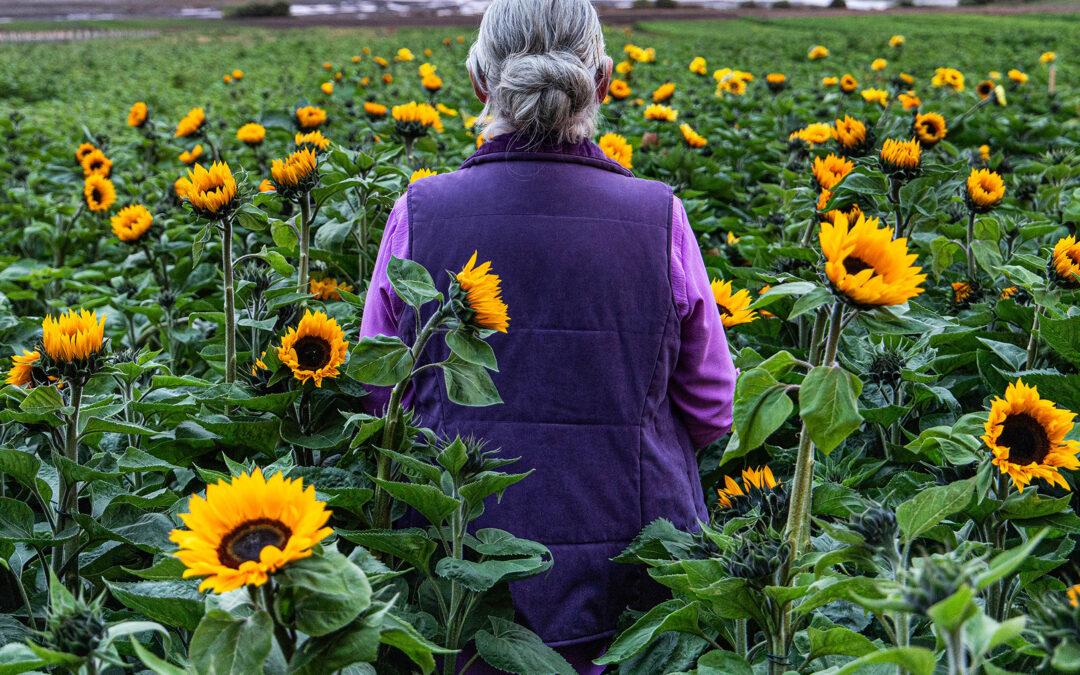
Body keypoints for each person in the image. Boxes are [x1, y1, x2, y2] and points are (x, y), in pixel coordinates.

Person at [358, 0, 737, 670]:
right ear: (606, 79)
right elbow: (712, 407)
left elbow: (377, 394)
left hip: (459, 580)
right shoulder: (660, 217)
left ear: (478, 82)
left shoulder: (418, 212)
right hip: (634, 583)